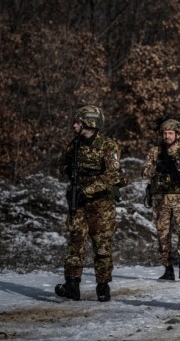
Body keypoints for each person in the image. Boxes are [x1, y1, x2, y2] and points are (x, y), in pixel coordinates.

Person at [55, 105, 125, 302]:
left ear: (89, 123)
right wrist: (71, 174)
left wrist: (88, 190)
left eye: (78, 122)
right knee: (75, 240)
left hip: (101, 203)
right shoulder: (74, 144)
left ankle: (103, 285)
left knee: (101, 244)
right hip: (78, 201)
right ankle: (72, 284)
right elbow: (62, 166)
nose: (74, 125)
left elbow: (112, 175)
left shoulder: (108, 145)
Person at [142, 118, 180, 280]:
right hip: (160, 199)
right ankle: (167, 268)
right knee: (162, 234)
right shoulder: (155, 152)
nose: (167, 136)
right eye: (165, 133)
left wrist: (177, 177)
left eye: (170, 133)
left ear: (177, 135)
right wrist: (156, 168)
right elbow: (144, 172)